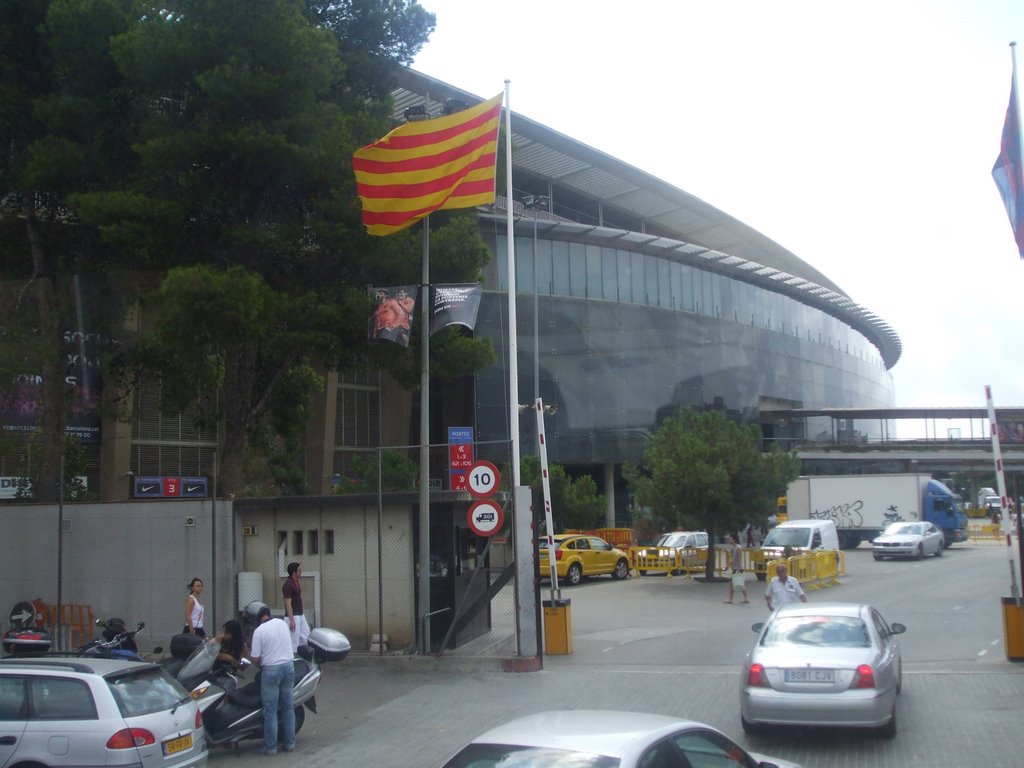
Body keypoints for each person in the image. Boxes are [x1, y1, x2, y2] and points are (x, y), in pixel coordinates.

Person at [249, 604, 295, 755]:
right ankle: (290, 744)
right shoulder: (282, 623)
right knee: (288, 707)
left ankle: (271, 748)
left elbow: (255, 657)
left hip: (271, 670)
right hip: (288, 666)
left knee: (270, 711)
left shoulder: (259, 631)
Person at [282, 562, 309, 652]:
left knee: (305, 635)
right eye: (299, 570)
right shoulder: (288, 585)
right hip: (293, 616)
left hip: (300, 614)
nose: (301, 571)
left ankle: (302, 655)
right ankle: (293, 658)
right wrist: (292, 620)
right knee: (294, 640)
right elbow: (288, 603)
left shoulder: (296, 582)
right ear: (294, 572)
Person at [724, 534, 749, 604]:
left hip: (738, 568)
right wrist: (728, 565)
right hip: (735, 568)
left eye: (730, 539)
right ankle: (746, 598)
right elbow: (733, 559)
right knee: (740, 583)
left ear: (734, 539)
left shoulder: (739, 548)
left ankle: (730, 599)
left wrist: (738, 569)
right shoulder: (733, 548)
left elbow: (739, 559)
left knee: (732, 583)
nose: (729, 540)